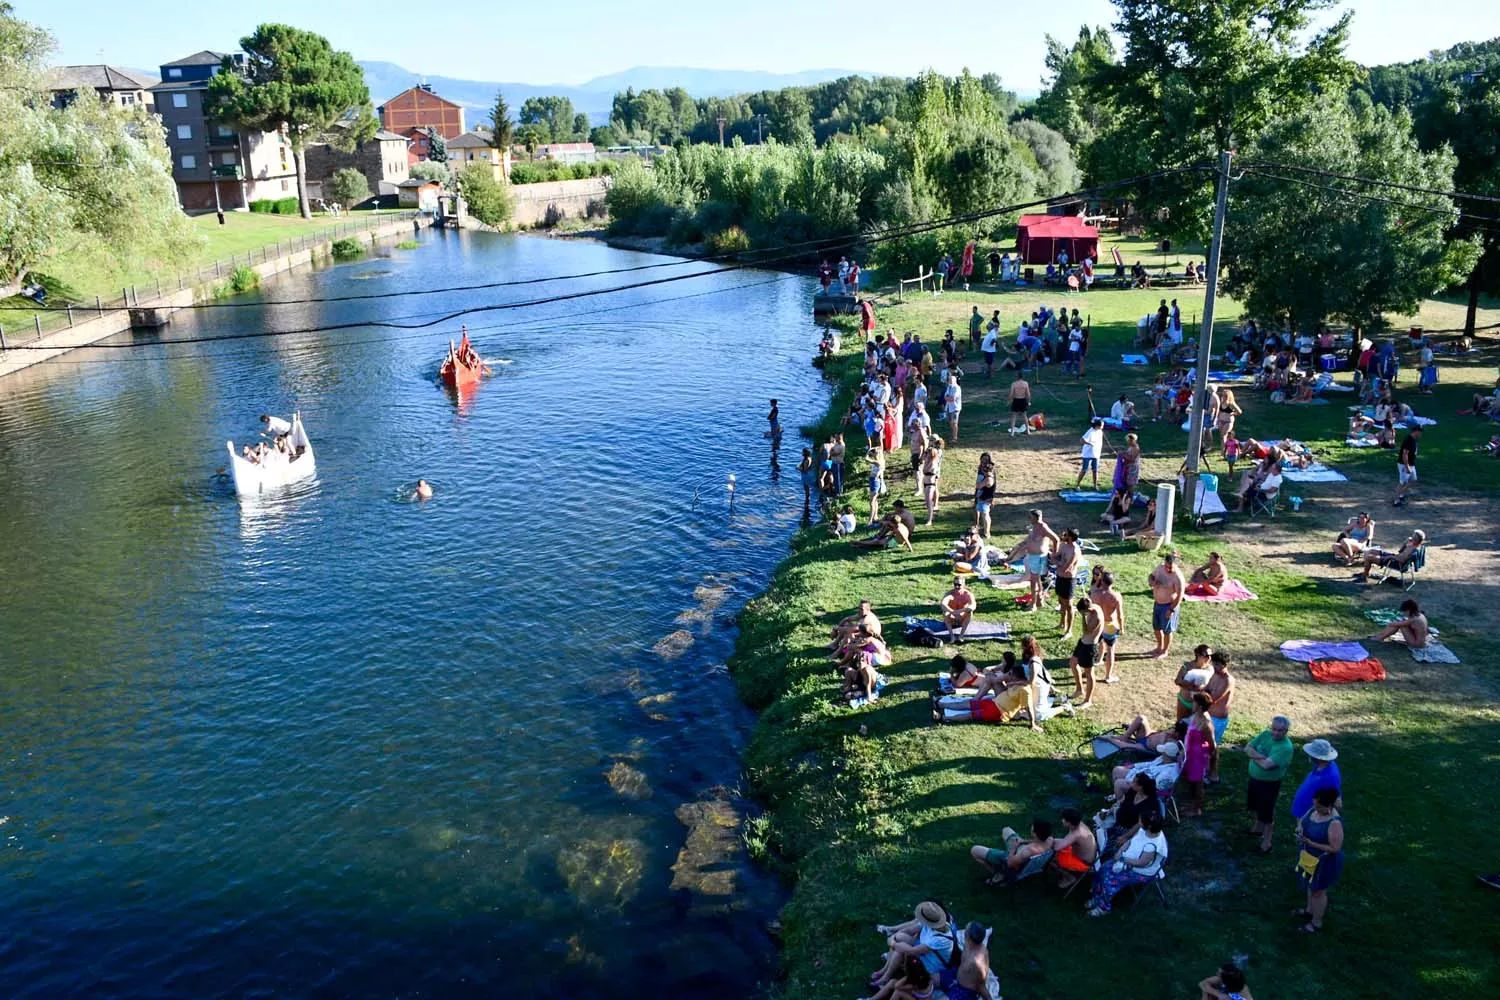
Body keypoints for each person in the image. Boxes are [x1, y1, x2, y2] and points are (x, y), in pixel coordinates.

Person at [1087, 809, 1167, 916]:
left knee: (1109, 879)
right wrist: (1121, 850)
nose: (1138, 822)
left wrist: (1122, 859)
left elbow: (1141, 863)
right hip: (1128, 859)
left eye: (1140, 821)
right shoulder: (1146, 830)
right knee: (1104, 868)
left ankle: (1103, 907)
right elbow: (1131, 840)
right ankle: (1097, 896)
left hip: (1142, 871)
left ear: (1148, 826)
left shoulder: (1152, 845)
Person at [1235, 715, 1294, 853]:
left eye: (1280, 730)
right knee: (1257, 806)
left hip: (1269, 784)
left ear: (1286, 731)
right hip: (1255, 779)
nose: (1275, 733)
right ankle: (1257, 829)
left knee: (1268, 813)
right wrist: (1261, 757)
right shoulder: (1265, 735)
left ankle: (1267, 844)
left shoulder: (1286, 748)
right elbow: (1248, 747)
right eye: (1274, 728)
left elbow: (1267, 766)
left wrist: (1253, 755)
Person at [868, 901, 958, 990]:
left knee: (900, 949)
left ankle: (885, 978)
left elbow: (912, 951)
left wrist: (892, 942)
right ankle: (884, 970)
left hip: (932, 964)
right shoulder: (932, 923)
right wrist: (894, 937)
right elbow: (909, 930)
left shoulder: (940, 939)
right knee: (899, 937)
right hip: (925, 953)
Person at [1294, 786, 1345, 932]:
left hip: (1324, 862)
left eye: (1318, 806)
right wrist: (1300, 829)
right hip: (1309, 857)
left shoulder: (1334, 823)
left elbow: (1335, 848)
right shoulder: (1314, 810)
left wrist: (1310, 843)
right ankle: (1309, 910)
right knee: (1311, 884)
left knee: (1318, 891)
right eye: (1314, 803)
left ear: (1328, 806)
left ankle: (1316, 922)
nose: (1315, 807)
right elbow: (1302, 821)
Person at [971, 818, 1054, 884]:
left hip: (1010, 861)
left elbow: (1010, 863)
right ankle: (999, 873)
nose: (1031, 827)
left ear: (1035, 834)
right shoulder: (1049, 840)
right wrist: (1023, 841)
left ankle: (998, 874)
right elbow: (1037, 841)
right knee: (1006, 830)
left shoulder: (1028, 851)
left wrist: (1013, 848)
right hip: (1021, 853)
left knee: (974, 850)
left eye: (1032, 828)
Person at [1008, 509, 1060, 614]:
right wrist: (1013, 554)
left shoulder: (1043, 527)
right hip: (1032, 556)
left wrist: (1055, 554)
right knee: (1036, 579)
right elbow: (1027, 540)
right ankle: (1040, 599)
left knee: (1033, 581)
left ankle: (1033, 605)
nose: (1028, 519)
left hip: (1039, 557)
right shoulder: (1033, 527)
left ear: (1037, 518)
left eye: (1030, 517)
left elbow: (1056, 539)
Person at [1180, 692, 1216, 816]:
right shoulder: (1196, 716)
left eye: (1194, 702)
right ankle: (1192, 804)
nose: (1192, 704)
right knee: (1192, 782)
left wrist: (1209, 759)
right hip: (1190, 753)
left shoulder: (1206, 724)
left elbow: (1212, 744)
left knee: (1198, 783)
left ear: (1200, 705)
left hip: (1199, 756)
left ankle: (1197, 809)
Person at [1110, 739, 1182, 800]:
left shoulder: (1169, 773)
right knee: (1117, 770)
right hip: (1138, 776)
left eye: (1163, 752)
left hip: (1143, 787)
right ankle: (1118, 795)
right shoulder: (1162, 759)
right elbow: (1148, 764)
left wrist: (1135, 784)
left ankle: (1121, 806)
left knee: (1118, 783)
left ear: (1167, 755)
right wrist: (1134, 765)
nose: (1162, 753)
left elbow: (1155, 788)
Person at [937, 922, 992, 1000]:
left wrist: (989, 999)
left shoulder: (976, 963)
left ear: (968, 936)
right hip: (956, 974)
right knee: (926, 979)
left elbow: (981, 985)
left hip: (965, 990)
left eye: (966, 929)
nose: (964, 930)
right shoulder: (968, 943)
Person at [1147, 552, 1186, 659]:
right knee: (1156, 627)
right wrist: (1151, 581)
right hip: (1157, 604)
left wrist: (1171, 609)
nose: (1168, 569)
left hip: (1168, 606)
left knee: (1167, 630)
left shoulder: (1178, 577)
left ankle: (1165, 651)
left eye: (1171, 567)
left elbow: (1180, 596)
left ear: (1175, 565)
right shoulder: (1160, 568)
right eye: (1167, 566)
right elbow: (1151, 576)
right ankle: (1159, 646)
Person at [1291, 738, 1342, 819]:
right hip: (1303, 810)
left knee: (1302, 831)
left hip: (1310, 816)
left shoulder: (1331, 776)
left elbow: (1336, 802)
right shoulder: (1320, 765)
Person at [1050, 807, 1099, 889]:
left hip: (1084, 863)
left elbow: (1056, 848)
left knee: (1051, 859)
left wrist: (1048, 841)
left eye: (1064, 819)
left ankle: (1070, 878)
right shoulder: (1080, 824)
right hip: (1085, 854)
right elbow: (1065, 841)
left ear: (1069, 823)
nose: (1062, 820)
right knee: (1054, 841)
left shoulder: (1075, 834)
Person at [1204, 651, 1235, 781]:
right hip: (1209, 716)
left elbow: (1213, 698)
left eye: (1218, 665)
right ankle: (1203, 771)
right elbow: (1207, 689)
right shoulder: (1214, 675)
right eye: (1214, 664)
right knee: (1204, 746)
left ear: (1225, 665)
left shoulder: (1229, 680)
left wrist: (1204, 693)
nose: (1215, 668)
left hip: (1218, 720)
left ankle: (1214, 774)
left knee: (1212, 747)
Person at [1069, 596, 1103, 710]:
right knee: (1073, 662)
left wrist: (1083, 617)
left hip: (1090, 646)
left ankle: (1088, 700)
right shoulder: (1093, 606)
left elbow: (1086, 630)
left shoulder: (1097, 617)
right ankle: (1079, 689)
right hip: (1083, 642)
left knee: (1089, 673)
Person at [1092, 569, 1125, 684]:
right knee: (1111, 650)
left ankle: (1098, 660)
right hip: (1110, 625)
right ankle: (1108, 676)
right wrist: (1122, 627)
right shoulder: (1116, 596)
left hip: (1098, 623)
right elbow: (1120, 615)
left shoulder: (1095, 594)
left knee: (1099, 643)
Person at [1358, 529, 1425, 582]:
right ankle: (1365, 572)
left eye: (1413, 536)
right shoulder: (1412, 544)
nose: (1412, 537)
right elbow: (1400, 551)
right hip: (1395, 557)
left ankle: (1364, 576)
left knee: (1369, 558)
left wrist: (1390, 557)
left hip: (1396, 563)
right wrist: (1405, 542)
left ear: (1417, 539)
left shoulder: (1413, 549)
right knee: (1371, 551)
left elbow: (1402, 560)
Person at [1055, 529, 1081, 638]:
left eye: (1065, 535)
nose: (1063, 535)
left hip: (1069, 580)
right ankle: (1062, 623)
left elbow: (1066, 568)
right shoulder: (1063, 545)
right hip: (1060, 577)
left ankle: (1069, 631)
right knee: (1061, 601)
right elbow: (1055, 556)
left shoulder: (1075, 551)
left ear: (1070, 537)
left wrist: (1056, 563)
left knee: (1069, 605)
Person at [940, 576, 975, 643]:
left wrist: (960, 612)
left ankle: (961, 636)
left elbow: (973, 606)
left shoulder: (968, 594)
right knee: (945, 612)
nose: (956, 587)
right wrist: (953, 612)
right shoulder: (950, 594)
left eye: (959, 585)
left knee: (970, 613)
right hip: (952, 618)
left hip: (962, 619)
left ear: (964, 585)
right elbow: (943, 604)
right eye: (955, 584)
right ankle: (952, 637)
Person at [921, 437, 945, 527]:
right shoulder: (928, 461)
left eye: (928, 454)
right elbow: (922, 458)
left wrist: (930, 452)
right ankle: (929, 516)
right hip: (926, 481)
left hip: (930, 482)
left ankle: (930, 519)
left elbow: (930, 470)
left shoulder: (934, 462)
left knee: (929, 501)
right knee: (927, 501)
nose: (926, 455)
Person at [1395, 426, 1421, 506]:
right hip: (1404, 464)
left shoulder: (1413, 440)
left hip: (1411, 463)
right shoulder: (1408, 440)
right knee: (1402, 482)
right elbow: (1404, 454)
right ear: (1415, 431)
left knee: (1413, 480)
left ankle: (1401, 494)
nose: (1420, 434)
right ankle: (1396, 500)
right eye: (1420, 432)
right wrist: (1407, 467)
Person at [973, 453, 997, 539]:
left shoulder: (989, 477)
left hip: (986, 497)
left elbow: (979, 485)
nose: (984, 462)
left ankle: (987, 533)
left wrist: (980, 483)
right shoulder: (981, 470)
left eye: (986, 459)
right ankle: (979, 528)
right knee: (982, 512)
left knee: (985, 514)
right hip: (980, 496)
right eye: (983, 459)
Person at [1076, 418, 1104, 490]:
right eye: (1102, 425)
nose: (1103, 426)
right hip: (1087, 454)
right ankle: (1078, 484)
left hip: (1096, 454)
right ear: (1097, 425)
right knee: (1084, 469)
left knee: (1095, 470)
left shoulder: (1100, 432)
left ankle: (1095, 485)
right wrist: (1089, 443)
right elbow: (1081, 440)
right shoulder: (1090, 432)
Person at [866, 447, 887, 526]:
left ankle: (870, 520)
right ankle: (875, 516)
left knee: (871, 502)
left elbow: (866, 459)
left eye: (874, 452)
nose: (873, 453)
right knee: (875, 500)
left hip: (875, 481)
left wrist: (868, 451)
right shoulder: (882, 461)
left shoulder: (877, 462)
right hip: (875, 480)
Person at [942, 372, 963, 444]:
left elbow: (953, 398)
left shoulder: (957, 388)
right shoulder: (949, 387)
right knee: (950, 422)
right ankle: (953, 434)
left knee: (954, 423)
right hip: (949, 407)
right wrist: (948, 398)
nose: (949, 381)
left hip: (955, 408)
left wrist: (948, 398)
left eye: (951, 380)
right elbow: (945, 397)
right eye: (949, 380)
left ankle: (955, 438)